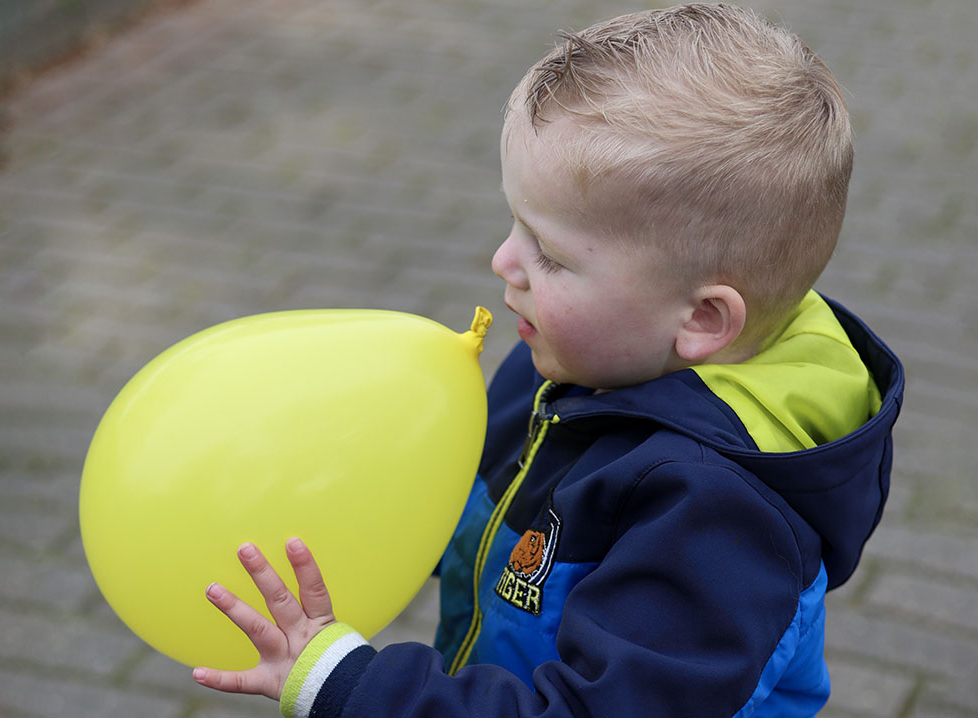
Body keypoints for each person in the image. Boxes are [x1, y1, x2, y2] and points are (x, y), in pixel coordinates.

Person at [191, 4, 904, 716]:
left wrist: (350, 685)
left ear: (703, 319)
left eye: (552, 256)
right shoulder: (571, 363)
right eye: (515, 224)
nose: (504, 262)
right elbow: (484, 510)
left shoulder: (716, 517)